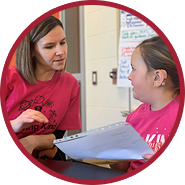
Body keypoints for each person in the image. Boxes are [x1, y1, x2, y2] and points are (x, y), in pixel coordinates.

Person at [5, 14, 81, 161]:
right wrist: (14, 125)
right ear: (31, 50)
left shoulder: (70, 84)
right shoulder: (8, 78)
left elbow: (58, 135)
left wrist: (33, 141)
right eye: (49, 46)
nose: (61, 52)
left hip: (43, 160)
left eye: (63, 42)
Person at [110, 36, 179, 180]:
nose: (129, 76)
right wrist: (113, 154)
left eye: (134, 69)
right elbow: (121, 168)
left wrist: (176, 170)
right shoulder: (135, 117)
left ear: (157, 78)